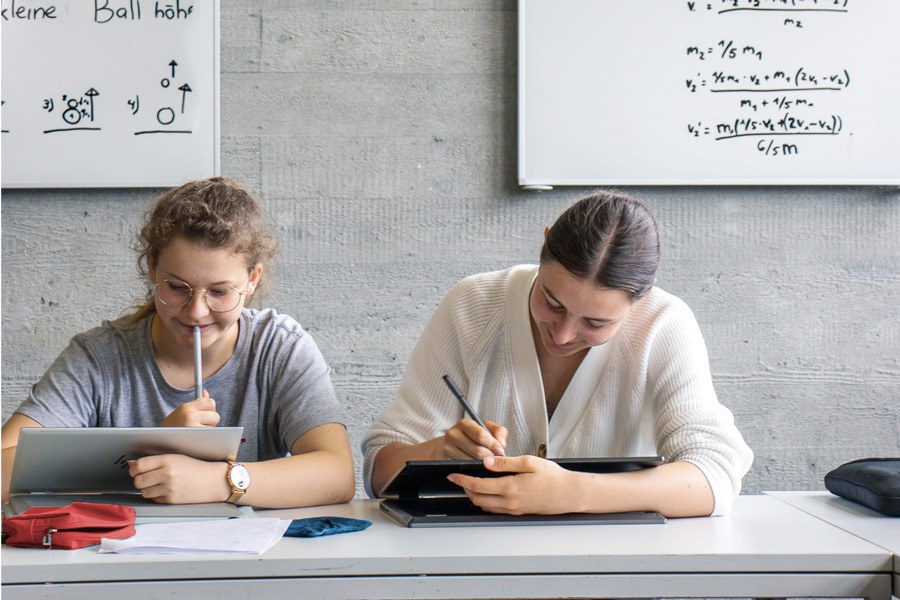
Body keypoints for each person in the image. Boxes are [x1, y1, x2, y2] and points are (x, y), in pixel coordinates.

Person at [363, 190, 753, 517]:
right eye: (552, 302)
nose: (564, 335)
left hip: (613, 577)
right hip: (474, 571)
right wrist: (436, 451)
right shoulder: (474, 304)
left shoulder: (663, 325)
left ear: (643, 295)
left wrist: (576, 493)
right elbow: (379, 473)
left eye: (596, 324)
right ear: (544, 243)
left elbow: (714, 475)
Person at [1, 177, 355, 508]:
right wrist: (150, 443)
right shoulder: (99, 356)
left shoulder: (279, 347)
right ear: (152, 267)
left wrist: (220, 481)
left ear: (252, 279)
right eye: (177, 287)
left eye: (219, 292)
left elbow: (337, 474)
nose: (197, 311)